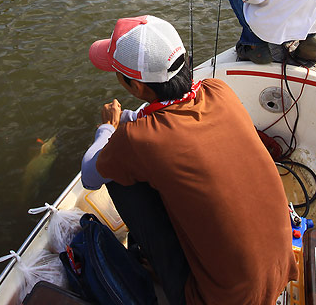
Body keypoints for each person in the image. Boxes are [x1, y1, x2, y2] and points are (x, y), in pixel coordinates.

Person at [81, 15, 298, 305]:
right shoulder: (219, 91)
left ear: (136, 88)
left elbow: (89, 175)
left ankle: (160, 269)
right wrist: (132, 120)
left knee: (117, 176)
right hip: (279, 274)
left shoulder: (138, 140)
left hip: (217, 300)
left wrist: (107, 128)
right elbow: (162, 115)